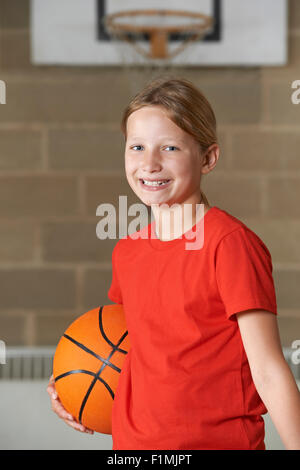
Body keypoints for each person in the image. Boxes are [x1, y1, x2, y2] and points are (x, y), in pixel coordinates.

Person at [47, 77, 300, 450]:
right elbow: (125, 353)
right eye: (137, 147)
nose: (149, 164)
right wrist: (74, 383)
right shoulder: (128, 252)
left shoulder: (229, 244)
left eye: (169, 148)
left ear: (208, 158)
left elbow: (268, 370)